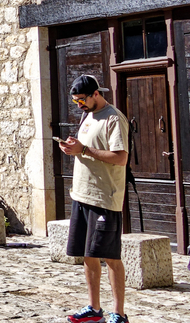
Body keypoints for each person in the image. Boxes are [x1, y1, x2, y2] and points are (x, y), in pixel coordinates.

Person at [58, 74, 131, 323]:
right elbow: (86, 148)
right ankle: (94, 308)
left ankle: (119, 313)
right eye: (76, 101)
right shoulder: (86, 115)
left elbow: (120, 158)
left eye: (81, 100)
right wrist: (73, 147)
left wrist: (85, 150)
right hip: (82, 194)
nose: (79, 105)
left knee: (110, 256)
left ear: (96, 94)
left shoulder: (114, 118)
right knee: (87, 254)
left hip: (104, 198)